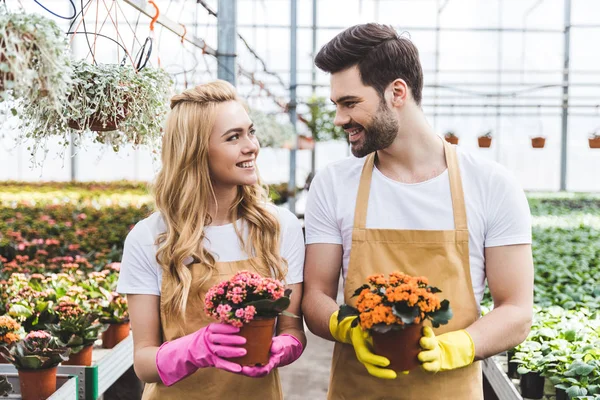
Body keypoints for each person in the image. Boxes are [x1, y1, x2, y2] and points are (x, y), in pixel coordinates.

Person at [302, 23, 533, 399]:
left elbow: (517, 310)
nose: (339, 119)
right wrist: (346, 327)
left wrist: (455, 347)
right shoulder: (333, 184)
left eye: (349, 103)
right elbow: (314, 295)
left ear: (396, 92)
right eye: (337, 105)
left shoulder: (491, 185)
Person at [117, 80, 306, 400]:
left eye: (251, 132)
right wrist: (195, 348)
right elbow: (143, 361)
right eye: (234, 137)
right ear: (194, 150)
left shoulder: (279, 227)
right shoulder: (150, 238)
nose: (251, 146)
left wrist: (283, 348)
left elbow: (292, 330)